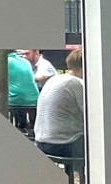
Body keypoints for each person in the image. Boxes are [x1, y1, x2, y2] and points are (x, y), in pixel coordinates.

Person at [35, 47, 87, 176]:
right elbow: (91, 115)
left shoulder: (54, 79)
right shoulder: (76, 83)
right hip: (64, 144)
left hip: (42, 142)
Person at [6, 48, 40, 131]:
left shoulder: (5, 61)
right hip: (34, 99)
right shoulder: (25, 61)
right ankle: (28, 129)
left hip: (15, 100)